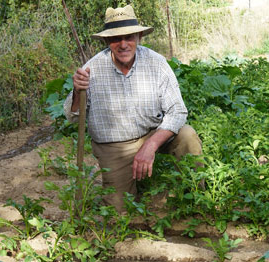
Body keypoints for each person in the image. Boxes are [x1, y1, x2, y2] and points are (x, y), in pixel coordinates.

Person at [63, 5, 202, 213]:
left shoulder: (156, 63)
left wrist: (150, 146)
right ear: (106, 41)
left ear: (139, 37)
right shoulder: (91, 69)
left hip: (151, 133)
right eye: (115, 38)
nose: (123, 44)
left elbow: (177, 111)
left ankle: (196, 197)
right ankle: (132, 188)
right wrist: (77, 91)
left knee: (188, 136)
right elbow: (73, 117)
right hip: (114, 147)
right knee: (119, 213)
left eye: (129, 37)